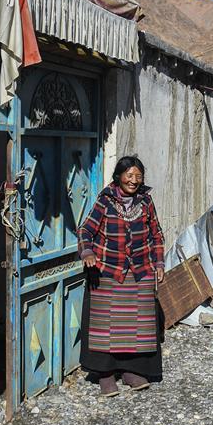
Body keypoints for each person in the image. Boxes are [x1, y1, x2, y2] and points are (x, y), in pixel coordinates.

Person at [77, 156, 165, 398]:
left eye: (138, 176)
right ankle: (105, 375)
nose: (133, 180)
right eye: (129, 175)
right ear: (118, 176)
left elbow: (156, 234)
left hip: (140, 271)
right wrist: (86, 251)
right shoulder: (105, 201)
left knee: (138, 325)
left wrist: (159, 262)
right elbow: (86, 229)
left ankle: (131, 371)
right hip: (107, 271)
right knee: (105, 326)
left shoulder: (146, 202)